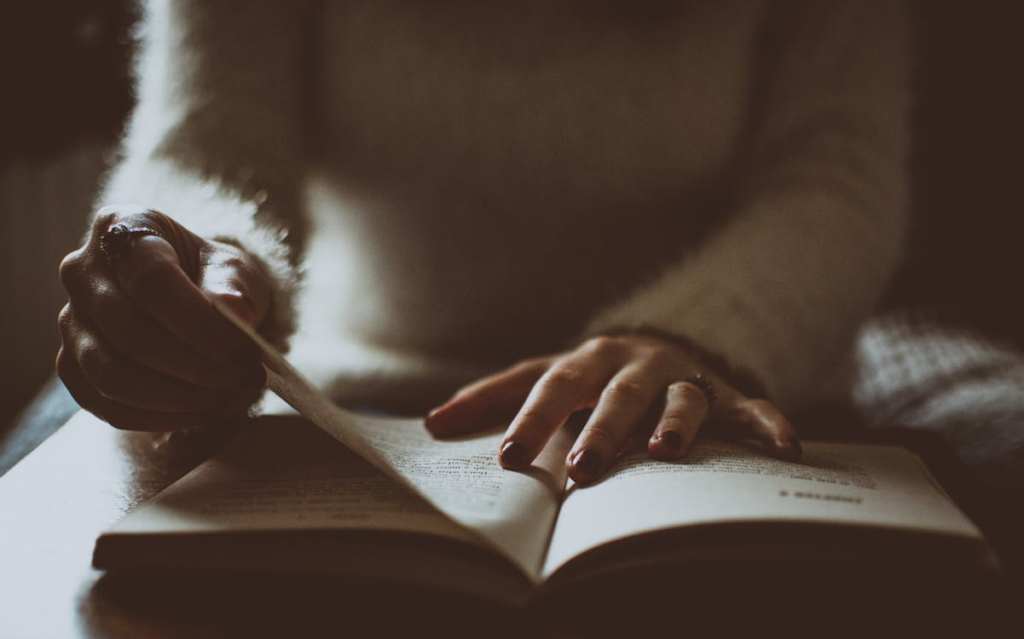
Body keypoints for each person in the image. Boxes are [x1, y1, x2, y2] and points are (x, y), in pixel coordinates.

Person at [56, 0, 911, 485]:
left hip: (707, 401)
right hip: (343, 402)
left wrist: (697, 336)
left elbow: (835, 178)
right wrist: (189, 271)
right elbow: (203, 145)